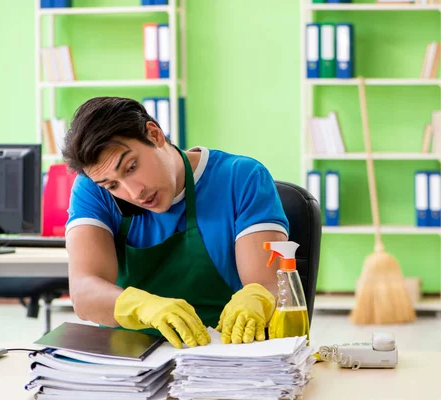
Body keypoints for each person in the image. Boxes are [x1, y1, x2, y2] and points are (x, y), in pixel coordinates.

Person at [62, 97, 289, 349]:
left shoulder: (240, 178)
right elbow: (84, 292)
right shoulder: (94, 191)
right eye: (113, 185)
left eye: (132, 166)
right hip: (130, 361)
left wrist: (258, 298)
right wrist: (144, 307)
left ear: (154, 134)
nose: (134, 192)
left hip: (221, 351)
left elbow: (270, 283)